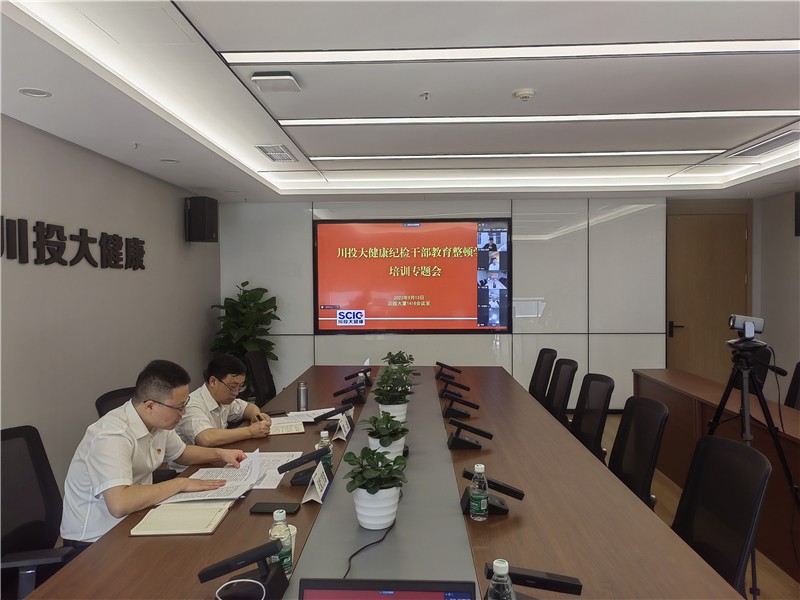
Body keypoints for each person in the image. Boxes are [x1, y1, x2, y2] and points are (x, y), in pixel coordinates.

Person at [61, 360, 246, 551]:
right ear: (150, 406)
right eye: (179, 407)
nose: (183, 413)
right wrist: (180, 484)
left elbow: (182, 453)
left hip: (135, 518)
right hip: (94, 542)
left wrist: (220, 454)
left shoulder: (158, 423)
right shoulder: (111, 435)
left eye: (185, 404)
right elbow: (119, 503)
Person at [176, 354, 271, 447]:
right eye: (233, 386)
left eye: (240, 386)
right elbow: (206, 438)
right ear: (213, 381)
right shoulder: (192, 405)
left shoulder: (223, 399)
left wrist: (256, 416)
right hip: (196, 458)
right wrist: (250, 431)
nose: (236, 393)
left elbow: (248, 407)